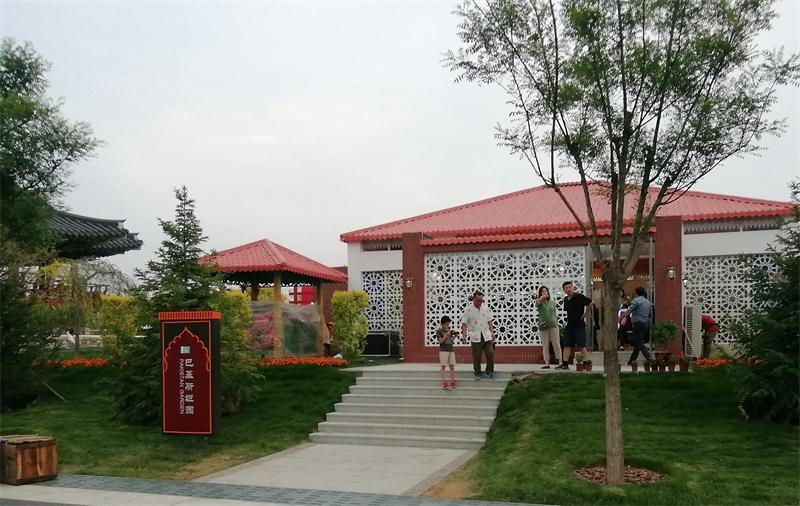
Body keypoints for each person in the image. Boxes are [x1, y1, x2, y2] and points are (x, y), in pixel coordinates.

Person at [555, 281, 593, 370]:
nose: (568, 289)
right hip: (569, 325)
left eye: (569, 287)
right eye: (566, 288)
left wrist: (586, 314)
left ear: (573, 287)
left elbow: (591, 303)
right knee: (566, 344)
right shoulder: (565, 299)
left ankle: (587, 363)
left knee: (581, 345)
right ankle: (565, 364)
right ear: (564, 290)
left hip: (579, 325)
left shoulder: (579, 296)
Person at [461, 290, 496, 380]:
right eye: (478, 300)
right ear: (474, 299)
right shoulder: (468, 310)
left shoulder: (485, 308)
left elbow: (490, 321)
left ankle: (490, 371)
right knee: (477, 356)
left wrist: (492, 333)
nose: (480, 302)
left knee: (490, 353)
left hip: (487, 335)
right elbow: (464, 324)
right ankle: (477, 373)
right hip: (475, 336)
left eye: (481, 300)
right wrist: (464, 336)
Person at [621, 287, 653, 365]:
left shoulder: (636, 301)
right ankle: (631, 361)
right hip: (645, 324)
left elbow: (629, 311)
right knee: (638, 343)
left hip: (637, 324)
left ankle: (649, 358)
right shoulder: (648, 302)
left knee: (639, 343)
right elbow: (650, 314)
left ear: (636, 293)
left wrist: (620, 317)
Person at [535, 286, 561, 369]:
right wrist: (543, 297)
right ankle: (546, 363)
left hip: (553, 325)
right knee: (545, 344)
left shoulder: (552, 302)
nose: (545, 292)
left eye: (546, 291)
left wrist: (556, 318)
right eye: (542, 291)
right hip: (544, 325)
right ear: (540, 293)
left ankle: (560, 362)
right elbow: (538, 302)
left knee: (556, 343)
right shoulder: (539, 302)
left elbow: (554, 312)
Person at [436, 316, 459, 389]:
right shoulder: (439, 331)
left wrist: (455, 336)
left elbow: (450, 341)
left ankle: (453, 381)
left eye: (448, 324)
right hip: (443, 350)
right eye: (446, 324)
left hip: (451, 349)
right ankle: (444, 382)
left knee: (452, 366)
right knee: (443, 366)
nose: (447, 325)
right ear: (442, 324)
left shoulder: (449, 330)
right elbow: (441, 341)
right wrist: (446, 335)